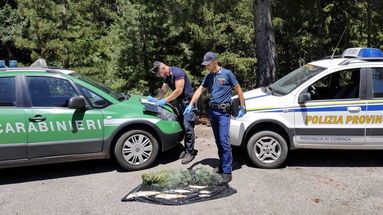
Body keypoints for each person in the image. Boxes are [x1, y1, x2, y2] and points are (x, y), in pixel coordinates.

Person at [183, 52, 246, 184]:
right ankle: (222, 165)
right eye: (205, 65)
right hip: (213, 112)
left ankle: (227, 172)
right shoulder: (209, 77)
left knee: (224, 140)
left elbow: (238, 89)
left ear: (215, 62)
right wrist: (190, 104)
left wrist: (242, 106)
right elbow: (200, 90)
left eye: (208, 64)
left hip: (223, 113)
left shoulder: (227, 74)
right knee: (218, 141)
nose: (206, 67)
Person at [148, 61, 197, 164]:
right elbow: (163, 90)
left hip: (188, 102)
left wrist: (164, 101)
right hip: (180, 102)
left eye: (158, 73)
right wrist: (156, 99)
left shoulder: (178, 73)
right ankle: (186, 149)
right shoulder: (166, 76)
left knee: (188, 126)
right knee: (182, 126)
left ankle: (190, 152)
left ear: (163, 68)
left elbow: (179, 90)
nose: (158, 76)